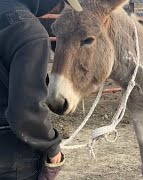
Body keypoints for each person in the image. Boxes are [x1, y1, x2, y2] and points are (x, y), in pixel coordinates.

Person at [0, 0, 82, 179]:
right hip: (10, 155)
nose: (54, 8)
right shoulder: (28, 31)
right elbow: (26, 111)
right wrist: (52, 147)